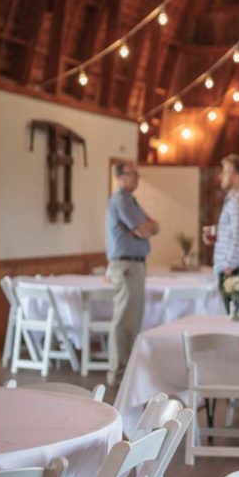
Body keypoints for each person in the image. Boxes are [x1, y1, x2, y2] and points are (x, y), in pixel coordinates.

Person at [104, 160, 158, 376]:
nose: (136, 178)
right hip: (126, 265)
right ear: (118, 177)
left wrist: (146, 227)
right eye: (131, 174)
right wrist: (144, 228)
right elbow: (144, 229)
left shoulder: (131, 201)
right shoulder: (121, 201)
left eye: (137, 174)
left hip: (135, 265)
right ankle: (118, 370)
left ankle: (127, 369)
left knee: (133, 317)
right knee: (125, 317)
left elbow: (153, 226)